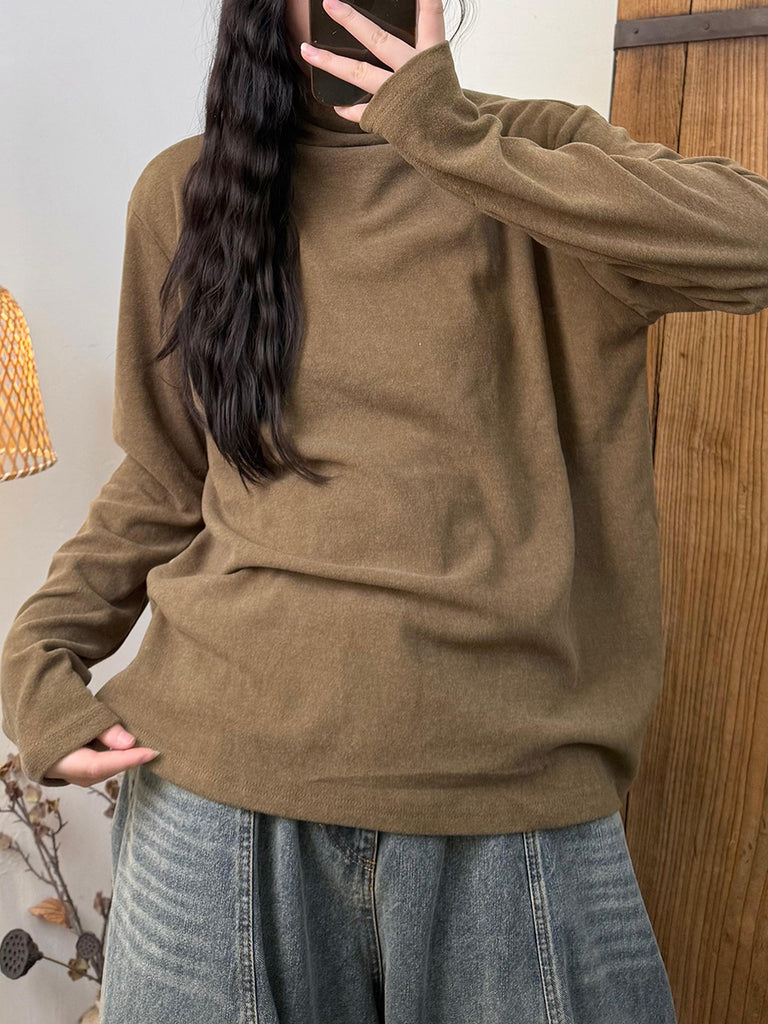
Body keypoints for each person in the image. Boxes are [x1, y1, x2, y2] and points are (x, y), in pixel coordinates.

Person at [3, 0, 768, 1020]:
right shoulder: (189, 193)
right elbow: (166, 477)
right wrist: (36, 657)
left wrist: (446, 135)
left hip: (509, 794)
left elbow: (751, 241)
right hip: (219, 794)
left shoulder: (537, 153)